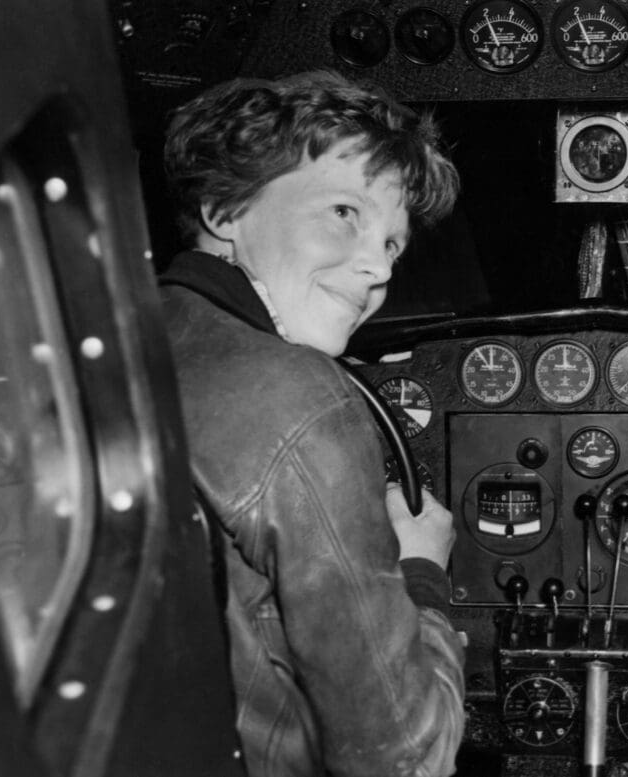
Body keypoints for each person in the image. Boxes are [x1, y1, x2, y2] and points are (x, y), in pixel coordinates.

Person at [157, 70, 465, 777]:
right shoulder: (297, 392)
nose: (375, 268)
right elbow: (407, 759)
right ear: (224, 208)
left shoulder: (105, 346)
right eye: (344, 213)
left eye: (393, 244)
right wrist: (422, 571)